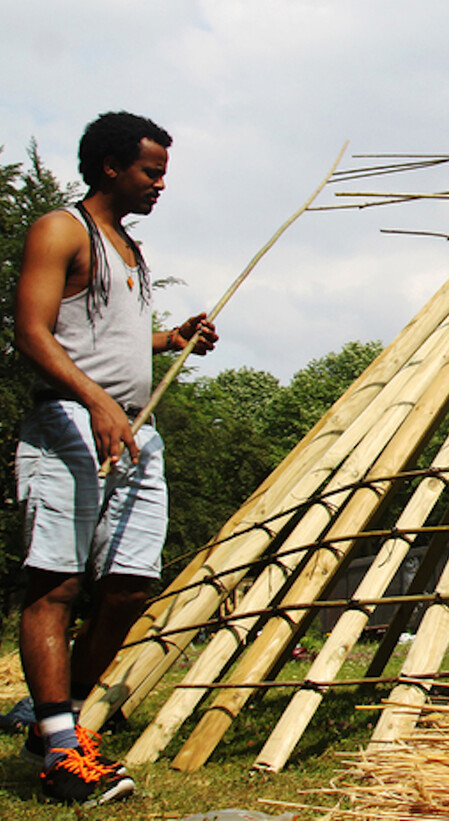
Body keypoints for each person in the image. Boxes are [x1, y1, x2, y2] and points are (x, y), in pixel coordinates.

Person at [13, 111, 218, 806]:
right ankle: (64, 746)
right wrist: (96, 402)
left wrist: (171, 338)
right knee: (57, 584)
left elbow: (110, 337)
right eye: (150, 172)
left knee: (131, 584)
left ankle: (59, 721)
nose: (160, 184)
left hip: (134, 431)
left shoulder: (126, 247)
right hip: (69, 422)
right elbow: (33, 332)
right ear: (110, 167)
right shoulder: (61, 229)